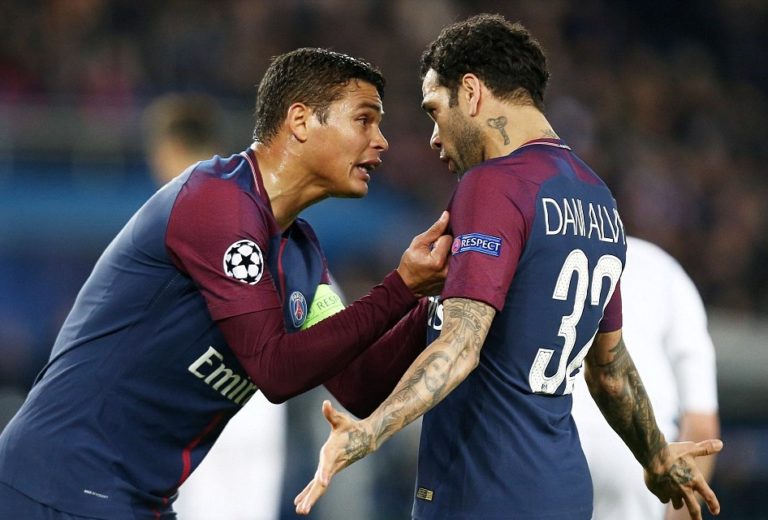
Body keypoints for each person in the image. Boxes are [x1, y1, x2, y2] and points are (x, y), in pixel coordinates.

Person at [294, 14, 723, 520]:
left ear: (471, 93)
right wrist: (654, 456)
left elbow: (461, 346)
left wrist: (370, 431)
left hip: (484, 491)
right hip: (562, 491)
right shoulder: (598, 198)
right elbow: (610, 370)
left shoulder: (494, 184)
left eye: (435, 111)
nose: (434, 137)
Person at [0, 47, 453, 519]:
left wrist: (430, 298)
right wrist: (401, 287)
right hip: (58, 485)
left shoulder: (300, 256)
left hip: (133, 497)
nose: (381, 141)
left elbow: (359, 383)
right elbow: (275, 370)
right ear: (300, 121)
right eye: (364, 120)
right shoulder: (216, 201)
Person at [142, 92, 286, 520]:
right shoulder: (260, 204)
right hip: (255, 403)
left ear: (167, 148)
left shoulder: (173, 210)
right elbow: (316, 294)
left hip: (193, 399)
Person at [571, 236, 720, 520]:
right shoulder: (667, 271)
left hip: (555, 435)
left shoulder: (549, 245)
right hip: (639, 451)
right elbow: (701, 423)